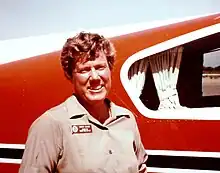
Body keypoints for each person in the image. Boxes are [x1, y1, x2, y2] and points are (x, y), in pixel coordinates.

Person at [19, 32, 148, 173]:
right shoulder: (51, 124)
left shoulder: (126, 119)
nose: (94, 77)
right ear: (70, 76)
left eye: (100, 67)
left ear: (110, 69)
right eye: (84, 70)